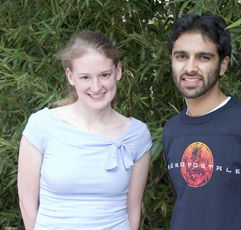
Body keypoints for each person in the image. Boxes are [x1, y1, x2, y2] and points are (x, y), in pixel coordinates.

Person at [162, 13, 241, 230]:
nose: (190, 68)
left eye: (203, 57)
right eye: (181, 56)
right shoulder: (171, 130)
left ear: (223, 65)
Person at [17, 31, 152, 230]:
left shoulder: (137, 135)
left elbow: (133, 210)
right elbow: (28, 206)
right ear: (70, 77)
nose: (96, 87)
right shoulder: (42, 126)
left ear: (118, 71)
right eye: (85, 77)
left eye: (104, 75)